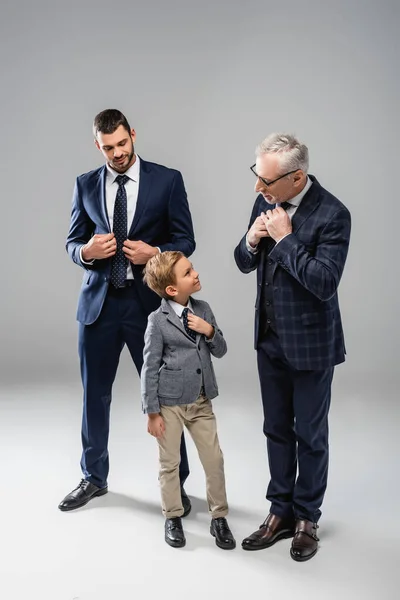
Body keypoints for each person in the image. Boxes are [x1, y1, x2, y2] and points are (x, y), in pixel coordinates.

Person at [59, 109, 195, 513]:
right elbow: (71, 243)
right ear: (97, 145)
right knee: (94, 397)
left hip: (149, 309)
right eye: (108, 148)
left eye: (122, 143)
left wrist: (156, 254)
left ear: (132, 135)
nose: (117, 153)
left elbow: (185, 239)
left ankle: (177, 483)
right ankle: (93, 478)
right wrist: (86, 252)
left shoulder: (167, 180)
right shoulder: (85, 184)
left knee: (165, 398)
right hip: (98, 308)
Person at [234, 133, 351, 561]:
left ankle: (306, 518)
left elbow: (323, 282)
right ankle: (279, 512)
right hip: (270, 341)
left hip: (312, 346)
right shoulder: (265, 200)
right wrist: (250, 241)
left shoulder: (334, 214)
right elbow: (244, 262)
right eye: (257, 176)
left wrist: (285, 239)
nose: (257, 188)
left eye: (265, 180)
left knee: (310, 434)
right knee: (276, 429)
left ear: (296, 177)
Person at [141, 251, 235, 550]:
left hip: (201, 400)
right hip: (169, 404)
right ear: (171, 289)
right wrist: (152, 412)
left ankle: (218, 517)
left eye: (192, 269)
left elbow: (220, 350)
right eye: (187, 272)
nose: (195, 274)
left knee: (214, 459)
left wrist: (208, 331)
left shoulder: (203, 310)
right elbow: (149, 366)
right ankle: (172, 516)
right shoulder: (157, 320)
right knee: (169, 463)